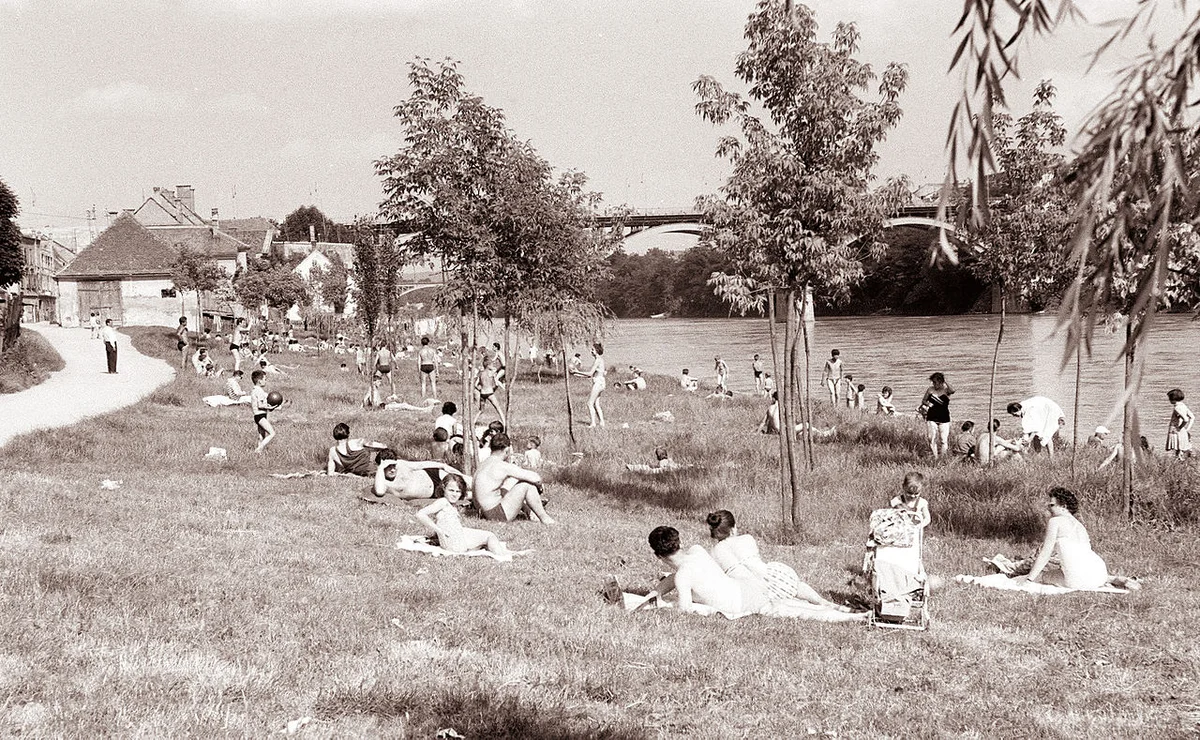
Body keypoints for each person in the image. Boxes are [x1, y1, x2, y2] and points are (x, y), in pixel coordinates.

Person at [635, 526, 865, 621]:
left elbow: (684, 609)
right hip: (747, 586)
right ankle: (842, 610)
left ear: (658, 556)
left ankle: (853, 617)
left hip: (742, 601)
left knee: (795, 612)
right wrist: (655, 592)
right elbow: (673, 579)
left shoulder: (683, 576)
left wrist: (662, 604)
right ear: (679, 542)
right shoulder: (697, 551)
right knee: (795, 605)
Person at [706, 510, 849, 613]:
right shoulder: (747, 538)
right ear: (733, 528)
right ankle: (823, 602)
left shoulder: (714, 552)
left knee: (789, 600)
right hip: (772, 575)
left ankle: (818, 606)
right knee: (796, 587)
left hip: (752, 588)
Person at [1024, 488, 1139, 590]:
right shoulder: (1080, 526)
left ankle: (1115, 580)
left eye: (1052, 505)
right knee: (1066, 571)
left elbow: (1046, 553)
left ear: (1064, 506)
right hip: (1099, 573)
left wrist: (1029, 580)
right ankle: (1115, 579)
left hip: (1076, 578)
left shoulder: (1055, 522)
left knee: (1042, 575)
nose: (1048, 508)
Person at [415, 475, 515, 558]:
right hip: (454, 544)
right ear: (443, 488)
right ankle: (503, 556)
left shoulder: (450, 504)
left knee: (484, 537)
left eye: (458, 492)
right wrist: (438, 530)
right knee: (490, 535)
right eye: (451, 490)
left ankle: (503, 552)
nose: (454, 494)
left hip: (454, 541)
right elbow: (420, 514)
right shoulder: (442, 502)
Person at [473, 433, 555, 524]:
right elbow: (536, 478)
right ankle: (545, 518)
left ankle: (530, 513)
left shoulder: (484, 463)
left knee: (508, 485)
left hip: (481, 512)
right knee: (526, 485)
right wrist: (539, 486)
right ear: (507, 450)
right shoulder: (502, 465)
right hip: (495, 515)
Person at [370, 455, 470, 501]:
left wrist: (442, 465)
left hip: (433, 474)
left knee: (472, 482)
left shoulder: (400, 464)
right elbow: (379, 492)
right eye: (388, 467)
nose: (392, 470)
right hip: (435, 492)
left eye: (393, 466)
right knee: (472, 494)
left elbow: (421, 465)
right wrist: (380, 467)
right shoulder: (384, 483)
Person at [920, 372, 955, 458]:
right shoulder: (930, 390)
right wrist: (927, 404)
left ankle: (942, 457)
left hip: (944, 418)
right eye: (933, 382)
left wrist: (945, 381)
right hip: (931, 417)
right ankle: (935, 457)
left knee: (943, 440)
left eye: (936, 382)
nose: (934, 384)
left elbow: (953, 390)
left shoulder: (946, 391)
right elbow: (923, 401)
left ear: (941, 382)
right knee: (931, 438)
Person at [574, 343, 606, 428]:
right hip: (601, 382)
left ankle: (593, 423)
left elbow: (590, 373)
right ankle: (602, 422)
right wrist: (578, 375)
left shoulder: (597, 360)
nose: (591, 351)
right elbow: (591, 375)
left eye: (592, 350)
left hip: (598, 383)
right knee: (596, 403)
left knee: (589, 403)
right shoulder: (600, 360)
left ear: (597, 351)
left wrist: (577, 371)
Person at [474, 355, 506, 427]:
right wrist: (494, 388)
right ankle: (505, 423)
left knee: (481, 410)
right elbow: (496, 383)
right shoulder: (490, 373)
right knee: (498, 408)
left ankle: (473, 421)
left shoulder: (481, 373)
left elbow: (475, 385)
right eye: (491, 364)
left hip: (482, 393)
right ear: (488, 365)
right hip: (490, 393)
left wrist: (480, 389)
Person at [250, 369, 277, 453]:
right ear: (259, 381)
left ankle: (259, 453)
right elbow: (260, 405)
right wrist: (270, 407)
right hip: (260, 416)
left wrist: (268, 407)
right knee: (272, 433)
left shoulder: (254, 390)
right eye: (264, 379)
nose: (265, 381)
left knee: (261, 435)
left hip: (258, 415)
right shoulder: (259, 391)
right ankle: (259, 449)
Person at [1166, 388, 1194, 458]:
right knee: (1180, 449)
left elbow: (1186, 419)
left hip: (1175, 430)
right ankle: (1181, 462)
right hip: (1182, 431)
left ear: (1173, 399)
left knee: (1177, 450)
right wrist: (1187, 429)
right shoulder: (1183, 406)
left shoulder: (1177, 408)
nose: (1169, 400)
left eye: (1169, 398)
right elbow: (1192, 417)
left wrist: (1179, 428)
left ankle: (1178, 463)